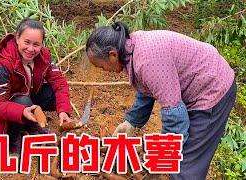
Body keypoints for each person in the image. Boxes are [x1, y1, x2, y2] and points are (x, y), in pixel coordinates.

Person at [85, 21, 236, 179]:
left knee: (185, 167)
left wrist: (160, 160)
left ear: (112, 54)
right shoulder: (131, 48)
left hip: (213, 89)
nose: (105, 71)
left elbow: (175, 116)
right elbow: (148, 88)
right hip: (197, 85)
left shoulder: (147, 60)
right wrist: (131, 122)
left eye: (102, 67)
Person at [0, 18, 71, 153]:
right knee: (22, 101)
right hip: (1, 120)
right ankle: (13, 141)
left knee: (51, 92)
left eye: (36, 44)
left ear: (42, 44)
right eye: (26, 42)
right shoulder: (3, 65)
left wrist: (63, 110)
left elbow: (59, 82)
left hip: (27, 99)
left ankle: (30, 125)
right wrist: (22, 111)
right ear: (17, 38)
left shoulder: (44, 56)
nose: (30, 49)